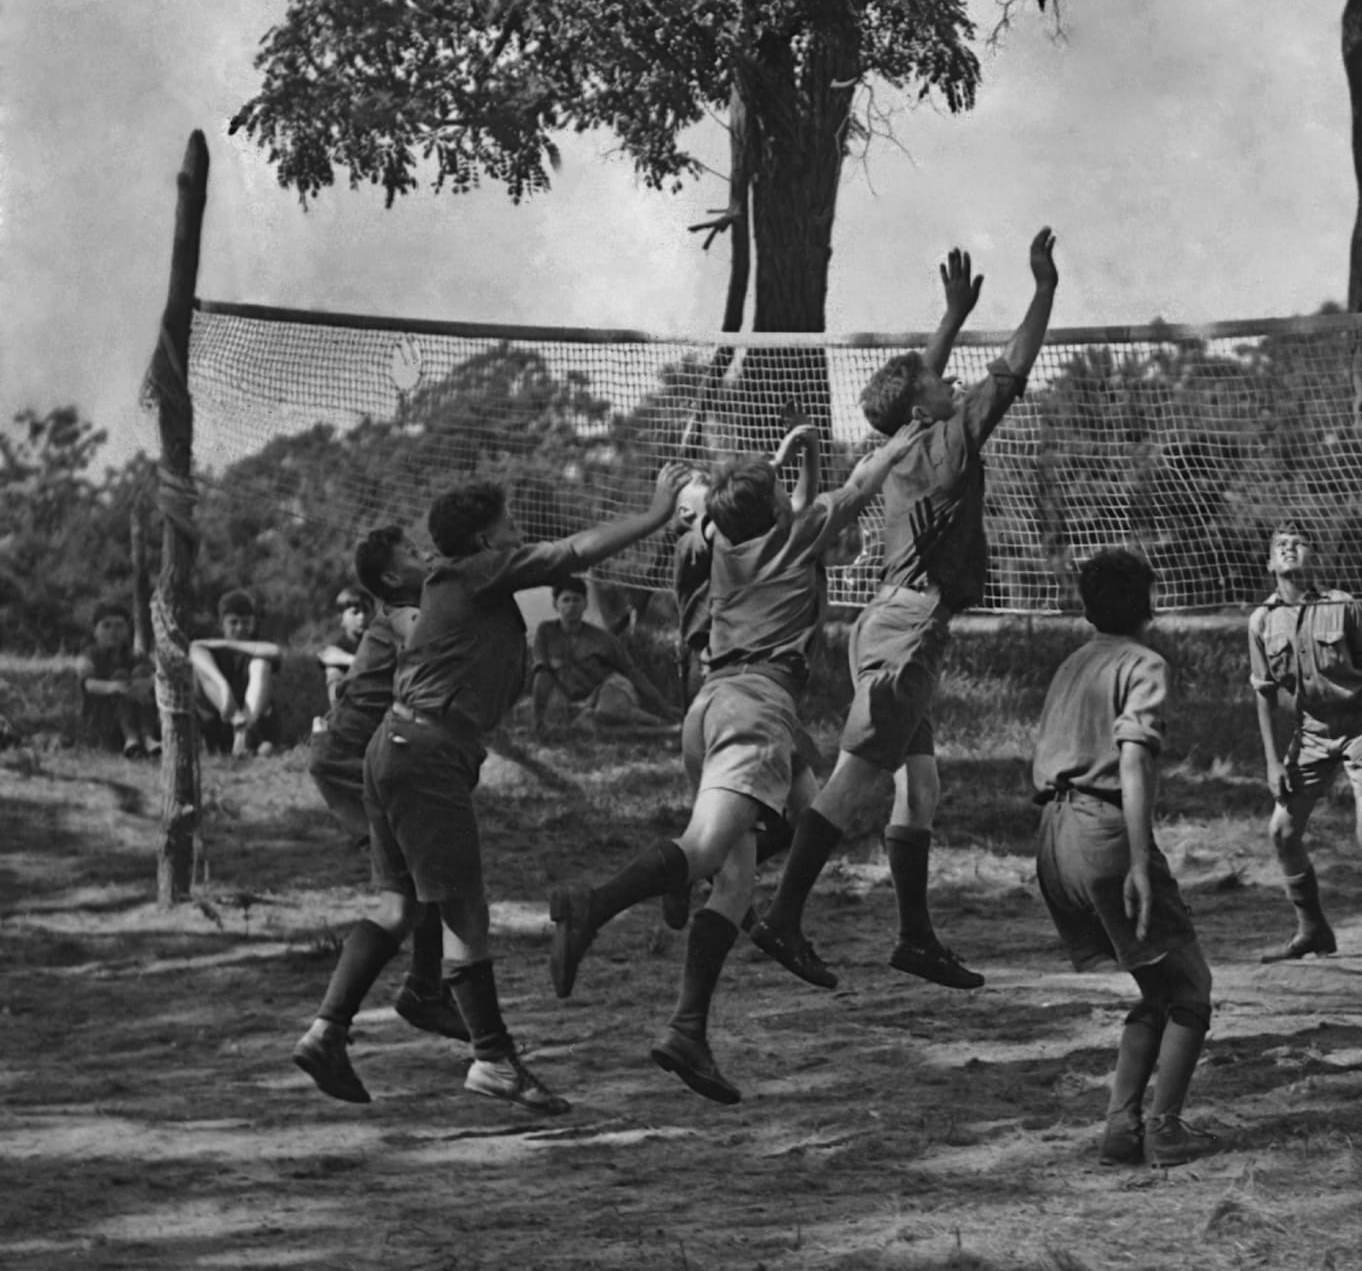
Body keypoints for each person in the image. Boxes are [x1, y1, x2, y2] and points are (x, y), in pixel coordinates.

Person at [288, 462, 687, 1114]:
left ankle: (328, 1032)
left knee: (400, 906)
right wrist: (655, 514)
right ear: (481, 540)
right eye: (507, 524)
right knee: (465, 913)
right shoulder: (475, 571)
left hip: (395, 750)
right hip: (426, 756)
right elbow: (574, 551)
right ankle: (494, 1061)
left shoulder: (466, 585)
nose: (519, 531)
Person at [544, 421, 920, 1104]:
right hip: (755, 707)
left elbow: (789, 499)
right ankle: (592, 905)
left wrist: (788, 457)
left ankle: (689, 1028)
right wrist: (909, 435)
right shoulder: (796, 534)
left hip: (709, 708)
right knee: (708, 847)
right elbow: (863, 481)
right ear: (773, 506)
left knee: (739, 877)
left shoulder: (722, 542)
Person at [754, 230, 1060, 993]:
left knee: (918, 788)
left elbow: (911, 389)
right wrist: (1045, 288)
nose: (947, 377)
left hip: (885, 624)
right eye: (936, 378)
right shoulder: (949, 442)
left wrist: (951, 314)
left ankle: (916, 938)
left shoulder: (892, 449)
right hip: (908, 629)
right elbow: (1014, 368)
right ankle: (782, 919)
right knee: (854, 785)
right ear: (921, 405)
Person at [1031, 549, 1221, 1166]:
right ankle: (1165, 1130)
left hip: (1052, 837)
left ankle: (1121, 1127)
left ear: (1086, 608)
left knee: (1156, 987)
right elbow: (1133, 759)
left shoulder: (1071, 663)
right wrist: (1140, 861)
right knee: (1191, 985)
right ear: (1151, 602)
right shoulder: (1143, 663)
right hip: (1102, 831)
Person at [305, 526, 464, 1043]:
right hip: (350, 761)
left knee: (422, 878)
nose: (427, 554)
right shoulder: (402, 617)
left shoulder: (396, 618)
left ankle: (415, 992)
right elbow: (432, 639)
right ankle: (414, 994)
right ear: (395, 576)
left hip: (357, 758)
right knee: (415, 883)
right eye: (415, 554)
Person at [1248, 522, 1362, 964]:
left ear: (1313, 556)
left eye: (1299, 543)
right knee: (1281, 831)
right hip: (1309, 736)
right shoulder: (1261, 620)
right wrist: (1273, 762)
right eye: (1281, 545)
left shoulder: (1344, 606)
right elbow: (1262, 693)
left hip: (1359, 731)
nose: (1290, 550)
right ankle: (1312, 928)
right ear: (1270, 562)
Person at [527, 577, 676, 735]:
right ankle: (657, 729)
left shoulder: (602, 639)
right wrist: (538, 719)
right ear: (555, 604)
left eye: (576, 600)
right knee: (585, 726)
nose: (571, 606)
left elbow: (632, 672)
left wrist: (663, 705)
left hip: (609, 689)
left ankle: (660, 724)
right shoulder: (546, 632)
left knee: (607, 711)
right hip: (577, 700)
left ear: (585, 604)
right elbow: (542, 673)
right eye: (566, 600)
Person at [191, 589, 281, 755]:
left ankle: (245, 730)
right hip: (220, 720)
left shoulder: (254, 648)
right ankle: (239, 723)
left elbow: (275, 651)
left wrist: (227, 644)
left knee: (262, 664)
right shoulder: (209, 650)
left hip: (252, 722)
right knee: (202, 669)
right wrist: (223, 686)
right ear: (221, 624)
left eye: (246, 622)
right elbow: (193, 650)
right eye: (233, 623)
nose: (240, 628)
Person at [78, 603, 155, 757]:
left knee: (142, 672)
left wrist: (144, 684)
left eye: (119, 626)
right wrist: (115, 687)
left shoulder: (135, 656)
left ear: (127, 630)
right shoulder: (89, 656)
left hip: (139, 713)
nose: (113, 632)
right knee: (120, 676)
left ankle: (148, 737)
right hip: (104, 719)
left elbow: (157, 676)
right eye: (106, 626)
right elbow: (88, 684)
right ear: (95, 631)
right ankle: (131, 738)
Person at [317, 586, 375, 717]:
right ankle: (340, 713)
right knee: (333, 670)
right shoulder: (338, 645)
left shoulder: (379, 640)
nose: (362, 617)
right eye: (355, 612)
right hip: (353, 704)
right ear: (341, 618)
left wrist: (348, 659)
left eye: (367, 611)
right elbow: (325, 655)